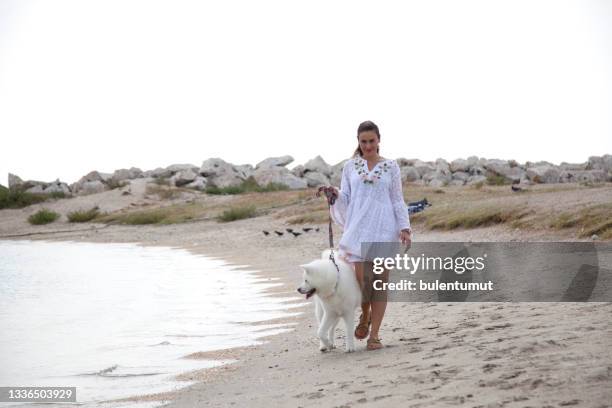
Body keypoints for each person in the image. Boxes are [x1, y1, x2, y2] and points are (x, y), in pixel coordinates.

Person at [321, 120, 412, 351]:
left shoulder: (391, 166)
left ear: (379, 140)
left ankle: (375, 336)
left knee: (380, 284)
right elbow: (346, 198)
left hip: (384, 229)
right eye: (364, 142)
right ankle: (365, 313)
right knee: (362, 284)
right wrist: (334, 193)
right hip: (359, 230)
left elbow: (396, 198)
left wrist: (404, 227)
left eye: (372, 141)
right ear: (358, 142)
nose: (368, 146)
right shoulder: (350, 166)